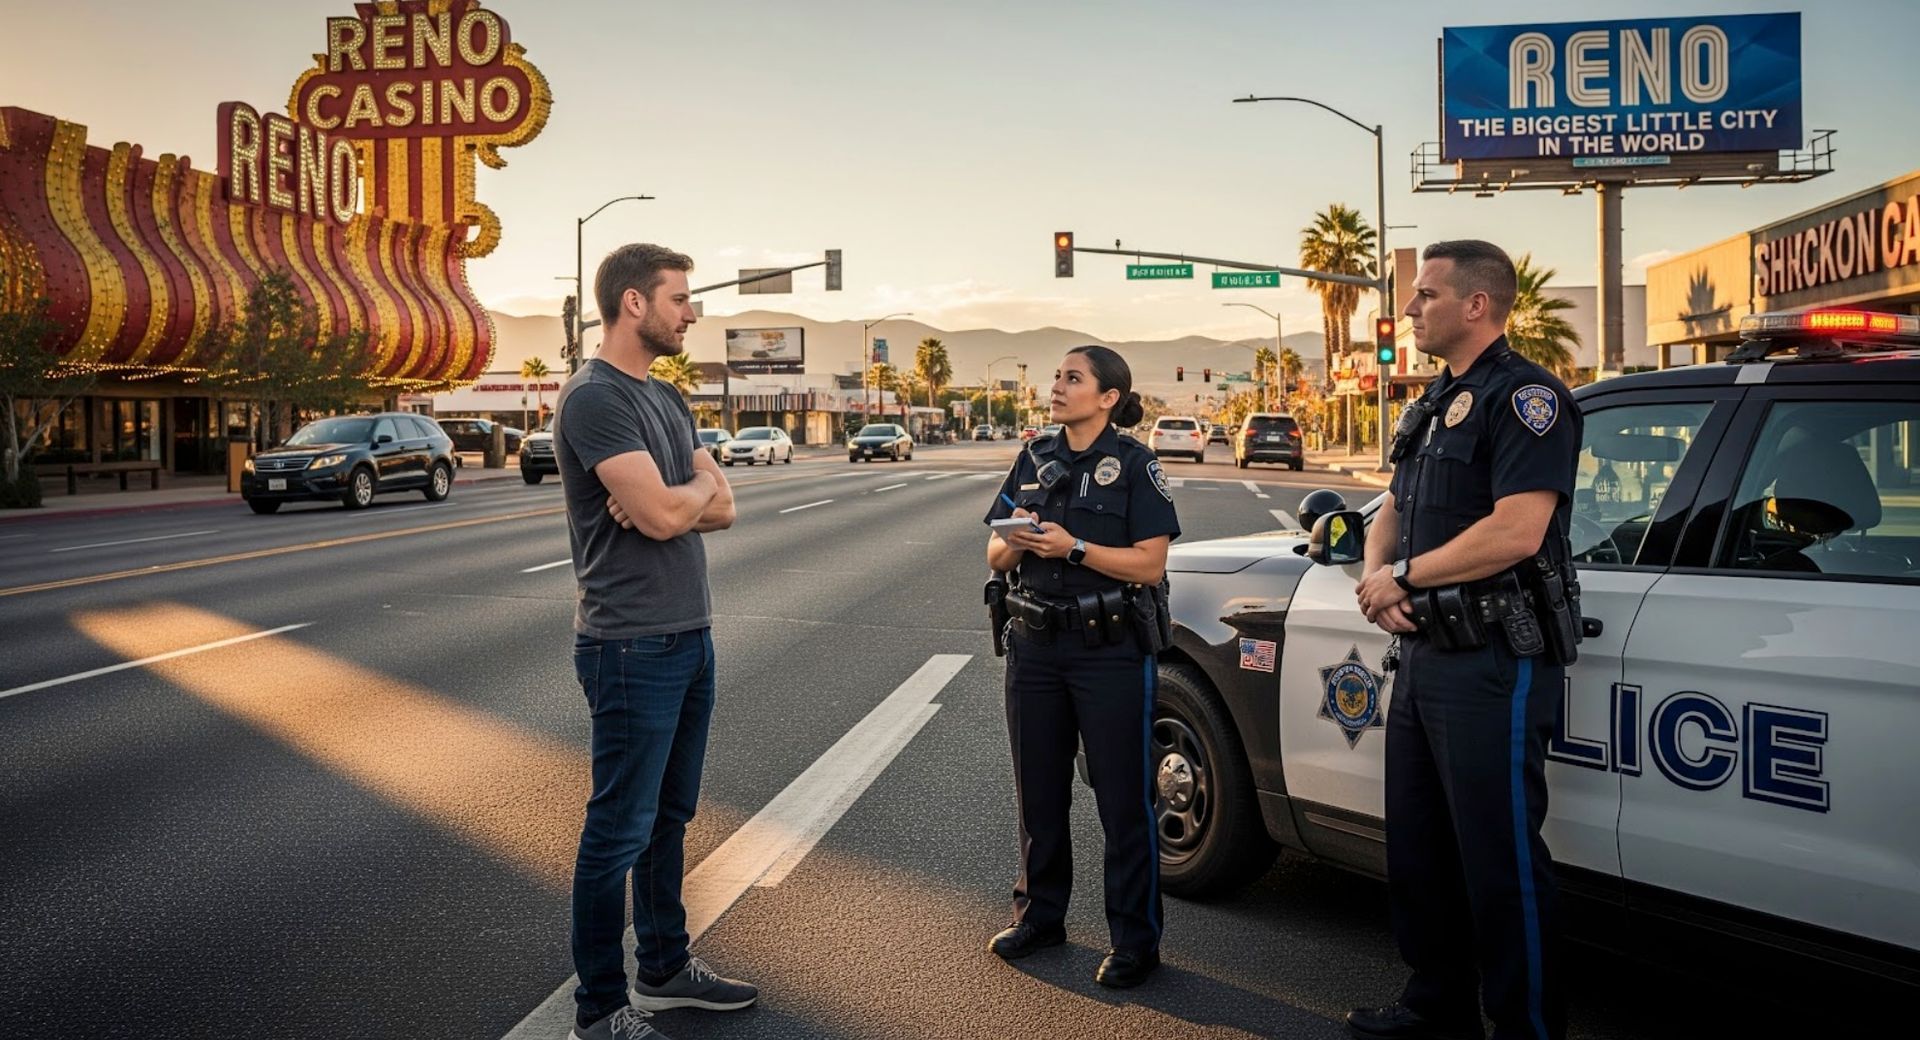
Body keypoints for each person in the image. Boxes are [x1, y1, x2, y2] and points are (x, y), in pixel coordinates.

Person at [1347, 240, 1582, 1040]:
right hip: (1422, 654)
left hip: (1492, 660)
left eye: (1425, 295)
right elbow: (1394, 504)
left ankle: (1525, 1027)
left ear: (1476, 305)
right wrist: (1377, 576)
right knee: (1419, 845)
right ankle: (1435, 1002)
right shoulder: (1429, 404)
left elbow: (1517, 532)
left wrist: (1405, 576)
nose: (1409, 309)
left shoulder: (1528, 398)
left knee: (1500, 859)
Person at [553, 243, 756, 1040]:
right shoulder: (594, 399)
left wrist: (684, 492)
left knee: (671, 813)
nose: (692, 311)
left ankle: (665, 968)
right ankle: (599, 1011)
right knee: (618, 830)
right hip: (629, 645)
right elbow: (677, 517)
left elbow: (721, 507)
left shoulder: (667, 401)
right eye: (680, 298)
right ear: (634, 304)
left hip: (687, 634)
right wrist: (682, 499)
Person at [982, 345, 1180, 988]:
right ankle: (1040, 915)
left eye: (1073, 378)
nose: (1057, 385)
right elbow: (993, 548)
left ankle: (1134, 941)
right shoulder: (1034, 456)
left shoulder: (1134, 465)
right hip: (1035, 647)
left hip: (1111, 652)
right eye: (1057, 374)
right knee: (1038, 793)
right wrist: (1016, 541)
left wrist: (1073, 549)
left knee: (1124, 801)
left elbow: (1150, 563)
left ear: (1107, 398)